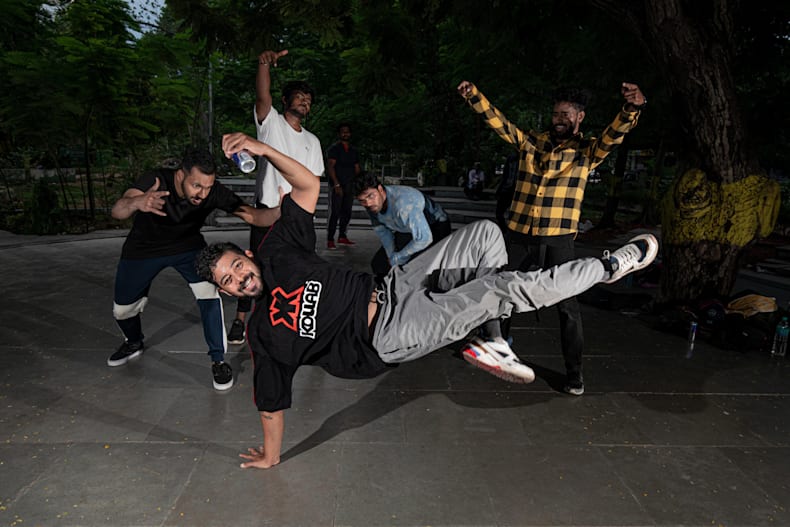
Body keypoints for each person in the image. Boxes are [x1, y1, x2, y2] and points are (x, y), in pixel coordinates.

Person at [195, 132, 658, 469]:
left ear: (247, 255)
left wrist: (261, 149)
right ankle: (607, 268)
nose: (240, 280)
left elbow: (306, 187)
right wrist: (271, 455)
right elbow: (270, 403)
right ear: (226, 293)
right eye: (228, 283)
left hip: (396, 285)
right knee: (500, 289)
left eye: (236, 267)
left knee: (485, 234)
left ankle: (490, 338)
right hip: (387, 334)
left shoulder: (278, 250)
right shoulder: (263, 335)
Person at [458, 79, 647, 396]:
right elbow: (501, 124)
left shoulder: (587, 151)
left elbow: (614, 135)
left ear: (579, 117)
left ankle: (574, 373)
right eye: (556, 114)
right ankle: (496, 348)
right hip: (520, 235)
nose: (559, 120)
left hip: (558, 240)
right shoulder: (532, 142)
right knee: (499, 292)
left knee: (567, 306)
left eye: (566, 115)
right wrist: (474, 96)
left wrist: (631, 108)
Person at [108, 146, 279, 390]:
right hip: (143, 249)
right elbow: (118, 210)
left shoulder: (212, 192)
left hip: (188, 248)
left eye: (208, 187)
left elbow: (253, 216)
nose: (202, 194)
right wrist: (137, 202)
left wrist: (284, 210)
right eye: (197, 185)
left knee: (209, 295)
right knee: (123, 309)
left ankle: (218, 360)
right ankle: (134, 341)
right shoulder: (156, 180)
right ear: (181, 175)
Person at [226, 49, 325, 346]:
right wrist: (263, 64)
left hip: (298, 219)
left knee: (299, 269)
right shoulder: (271, 124)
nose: (305, 102)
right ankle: (240, 320)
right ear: (285, 100)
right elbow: (262, 96)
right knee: (254, 266)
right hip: (268, 213)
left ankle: (292, 321)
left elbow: (312, 181)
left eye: (308, 99)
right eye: (299, 97)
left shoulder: (313, 141)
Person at [354, 172, 451, 279]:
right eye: (362, 200)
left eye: (370, 196)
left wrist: (400, 257)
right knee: (380, 264)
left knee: (415, 268)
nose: (368, 203)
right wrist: (392, 257)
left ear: (380, 189)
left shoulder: (403, 204)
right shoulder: (372, 206)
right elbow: (384, 233)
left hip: (435, 226)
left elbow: (424, 238)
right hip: (407, 229)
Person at [326, 122, 361, 249]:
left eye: (347, 132)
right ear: (339, 134)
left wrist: (358, 185)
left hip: (350, 184)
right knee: (335, 211)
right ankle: (330, 239)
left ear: (350, 134)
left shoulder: (353, 150)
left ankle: (342, 236)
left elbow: (357, 168)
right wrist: (336, 184)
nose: (345, 134)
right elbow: (331, 166)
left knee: (347, 211)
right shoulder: (334, 149)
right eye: (343, 132)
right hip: (338, 183)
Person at [495, 153, 518, 234]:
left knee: (513, 214)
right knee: (499, 213)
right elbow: (505, 175)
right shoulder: (511, 158)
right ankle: (504, 230)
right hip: (507, 188)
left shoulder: (525, 158)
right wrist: (500, 189)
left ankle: (509, 231)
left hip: (516, 190)